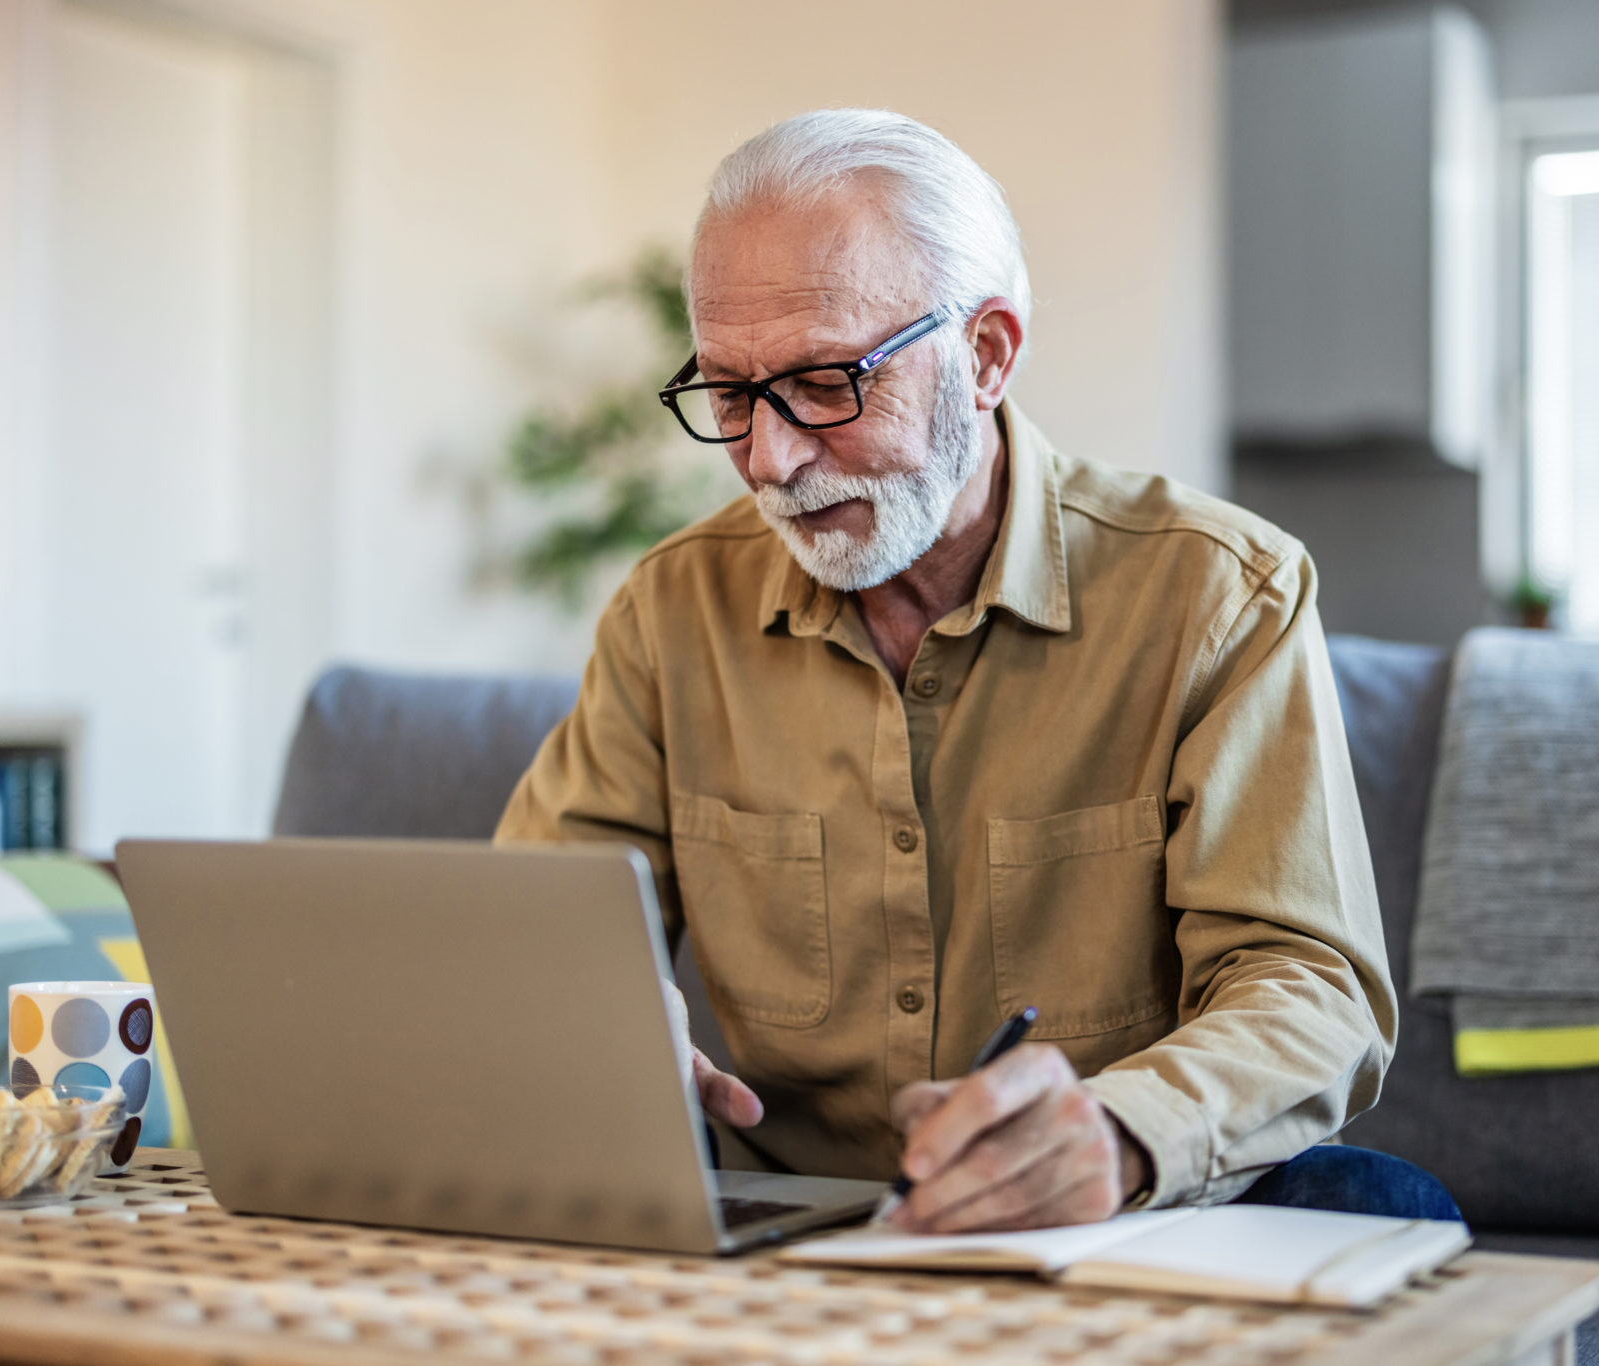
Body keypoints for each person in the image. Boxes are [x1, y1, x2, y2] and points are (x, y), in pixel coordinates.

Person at [497, 109, 1456, 1233]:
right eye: (729, 393)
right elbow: (529, 930)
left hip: (1115, 1212)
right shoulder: (671, 611)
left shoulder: (1214, 594)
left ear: (986, 355)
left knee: (1381, 1209)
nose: (769, 457)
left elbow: (1308, 986)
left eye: (822, 384)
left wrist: (1118, 1134)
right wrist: (608, 1025)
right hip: (780, 1214)